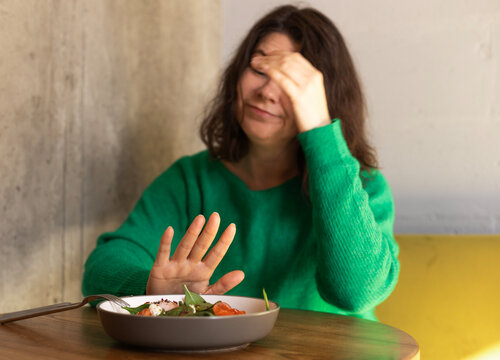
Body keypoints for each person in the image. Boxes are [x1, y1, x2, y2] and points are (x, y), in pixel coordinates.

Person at [82, 4, 399, 320]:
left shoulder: (363, 186)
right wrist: (154, 293)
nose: (267, 92)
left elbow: (355, 293)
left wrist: (320, 129)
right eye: (259, 69)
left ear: (324, 97)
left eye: (291, 81)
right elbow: (101, 270)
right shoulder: (191, 179)